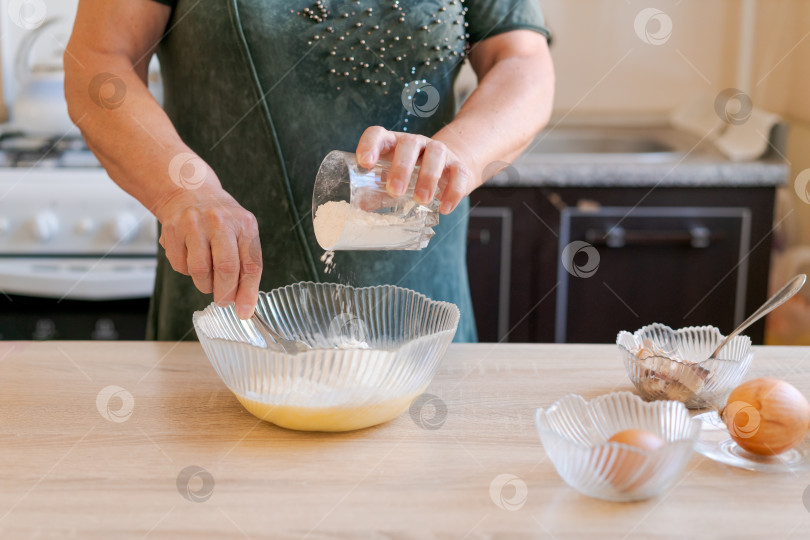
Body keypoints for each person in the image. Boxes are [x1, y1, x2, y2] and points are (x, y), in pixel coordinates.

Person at [64, 0, 554, 342]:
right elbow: (98, 60)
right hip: (228, 331)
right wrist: (182, 191)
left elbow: (523, 59)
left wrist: (458, 153)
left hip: (418, 328)